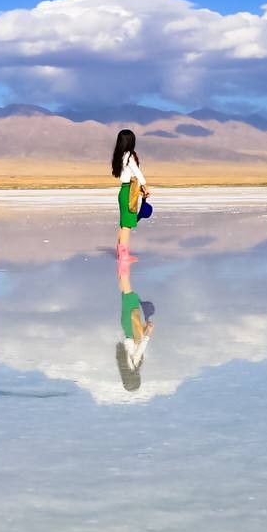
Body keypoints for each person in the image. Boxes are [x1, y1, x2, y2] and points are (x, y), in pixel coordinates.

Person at [114, 256, 155, 389]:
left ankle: (124, 263)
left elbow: (140, 348)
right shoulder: (123, 365)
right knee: (125, 293)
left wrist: (149, 333)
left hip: (131, 327)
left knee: (129, 294)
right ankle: (123, 266)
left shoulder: (134, 366)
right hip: (127, 327)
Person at [111, 129, 152, 257]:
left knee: (124, 224)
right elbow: (137, 172)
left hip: (124, 191)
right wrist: (145, 186)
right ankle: (124, 256)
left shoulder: (120, 156)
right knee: (127, 226)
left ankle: (121, 253)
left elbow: (130, 175)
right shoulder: (129, 156)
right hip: (129, 192)